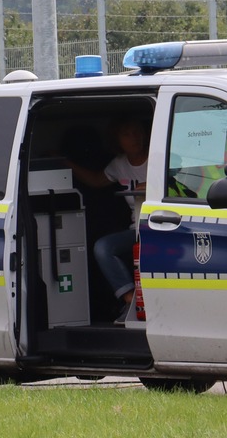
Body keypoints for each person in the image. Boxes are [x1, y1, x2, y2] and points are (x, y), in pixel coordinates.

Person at [65, 117, 150, 319]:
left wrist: (154, 185)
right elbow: (96, 180)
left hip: (163, 227)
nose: (134, 138)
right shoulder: (119, 164)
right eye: (126, 134)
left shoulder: (160, 157)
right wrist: (66, 163)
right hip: (136, 229)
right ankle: (131, 299)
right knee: (103, 247)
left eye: (137, 131)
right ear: (117, 140)